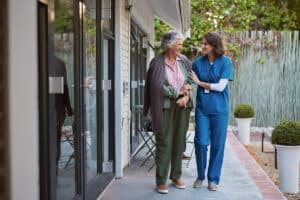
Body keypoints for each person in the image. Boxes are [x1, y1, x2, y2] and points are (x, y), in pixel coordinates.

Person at [143, 31, 195, 194]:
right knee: (164, 142)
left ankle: (176, 176)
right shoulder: (157, 63)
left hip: (182, 106)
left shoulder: (184, 61)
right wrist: (176, 92)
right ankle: (161, 180)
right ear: (169, 45)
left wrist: (186, 97)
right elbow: (156, 87)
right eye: (179, 44)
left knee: (179, 141)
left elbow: (190, 81)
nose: (181, 46)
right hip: (164, 107)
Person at [190, 32, 233, 191]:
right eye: (202, 43)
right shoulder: (197, 63)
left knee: (217, 145)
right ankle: (201, 175)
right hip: (202, 109)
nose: (202, 46)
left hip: (220, 110)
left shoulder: (226, 63)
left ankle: (213, 179)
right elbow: (189, 80)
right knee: (200, 142)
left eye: (205, 44)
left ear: (214, 46)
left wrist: (199, 83)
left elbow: (221, 86)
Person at [55, 56, 74, 171]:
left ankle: (54, 165)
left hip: (57, 108)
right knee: (56, 138)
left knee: (55, 138)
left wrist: (68, 107)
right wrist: (68, 107)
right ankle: (54, 165)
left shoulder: (58, 63)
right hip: (57, 108)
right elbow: (64, 87)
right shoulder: (59, 63)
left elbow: (64, 87)